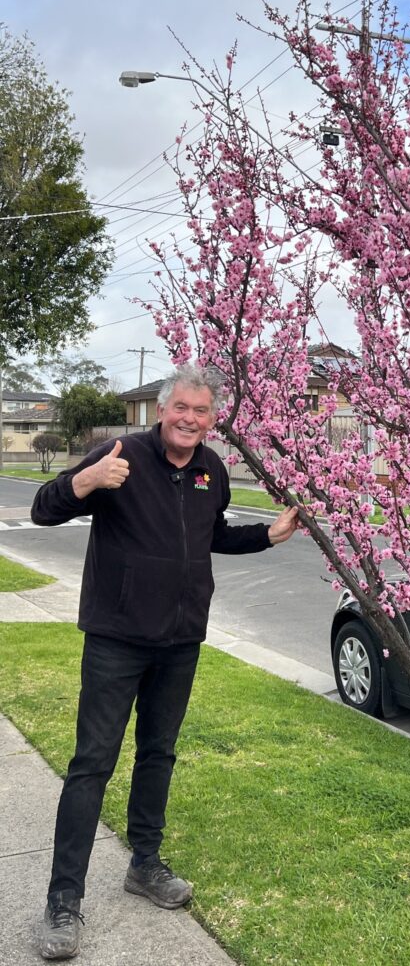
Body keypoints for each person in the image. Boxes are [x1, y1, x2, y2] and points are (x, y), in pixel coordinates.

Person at [30, 363, 298, 960]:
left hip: (179, 641)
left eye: (202, 412)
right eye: (182, 407)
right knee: (91, 763)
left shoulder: (211, 469)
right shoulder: (120, 453)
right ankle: (63, 899)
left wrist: (268, 536)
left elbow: (209, 534)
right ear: (161, 408)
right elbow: (46, 511)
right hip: (116, 638)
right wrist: (86, 480)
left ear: (212, 419)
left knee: (159, 753)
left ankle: (144, 864)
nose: (190, 419)